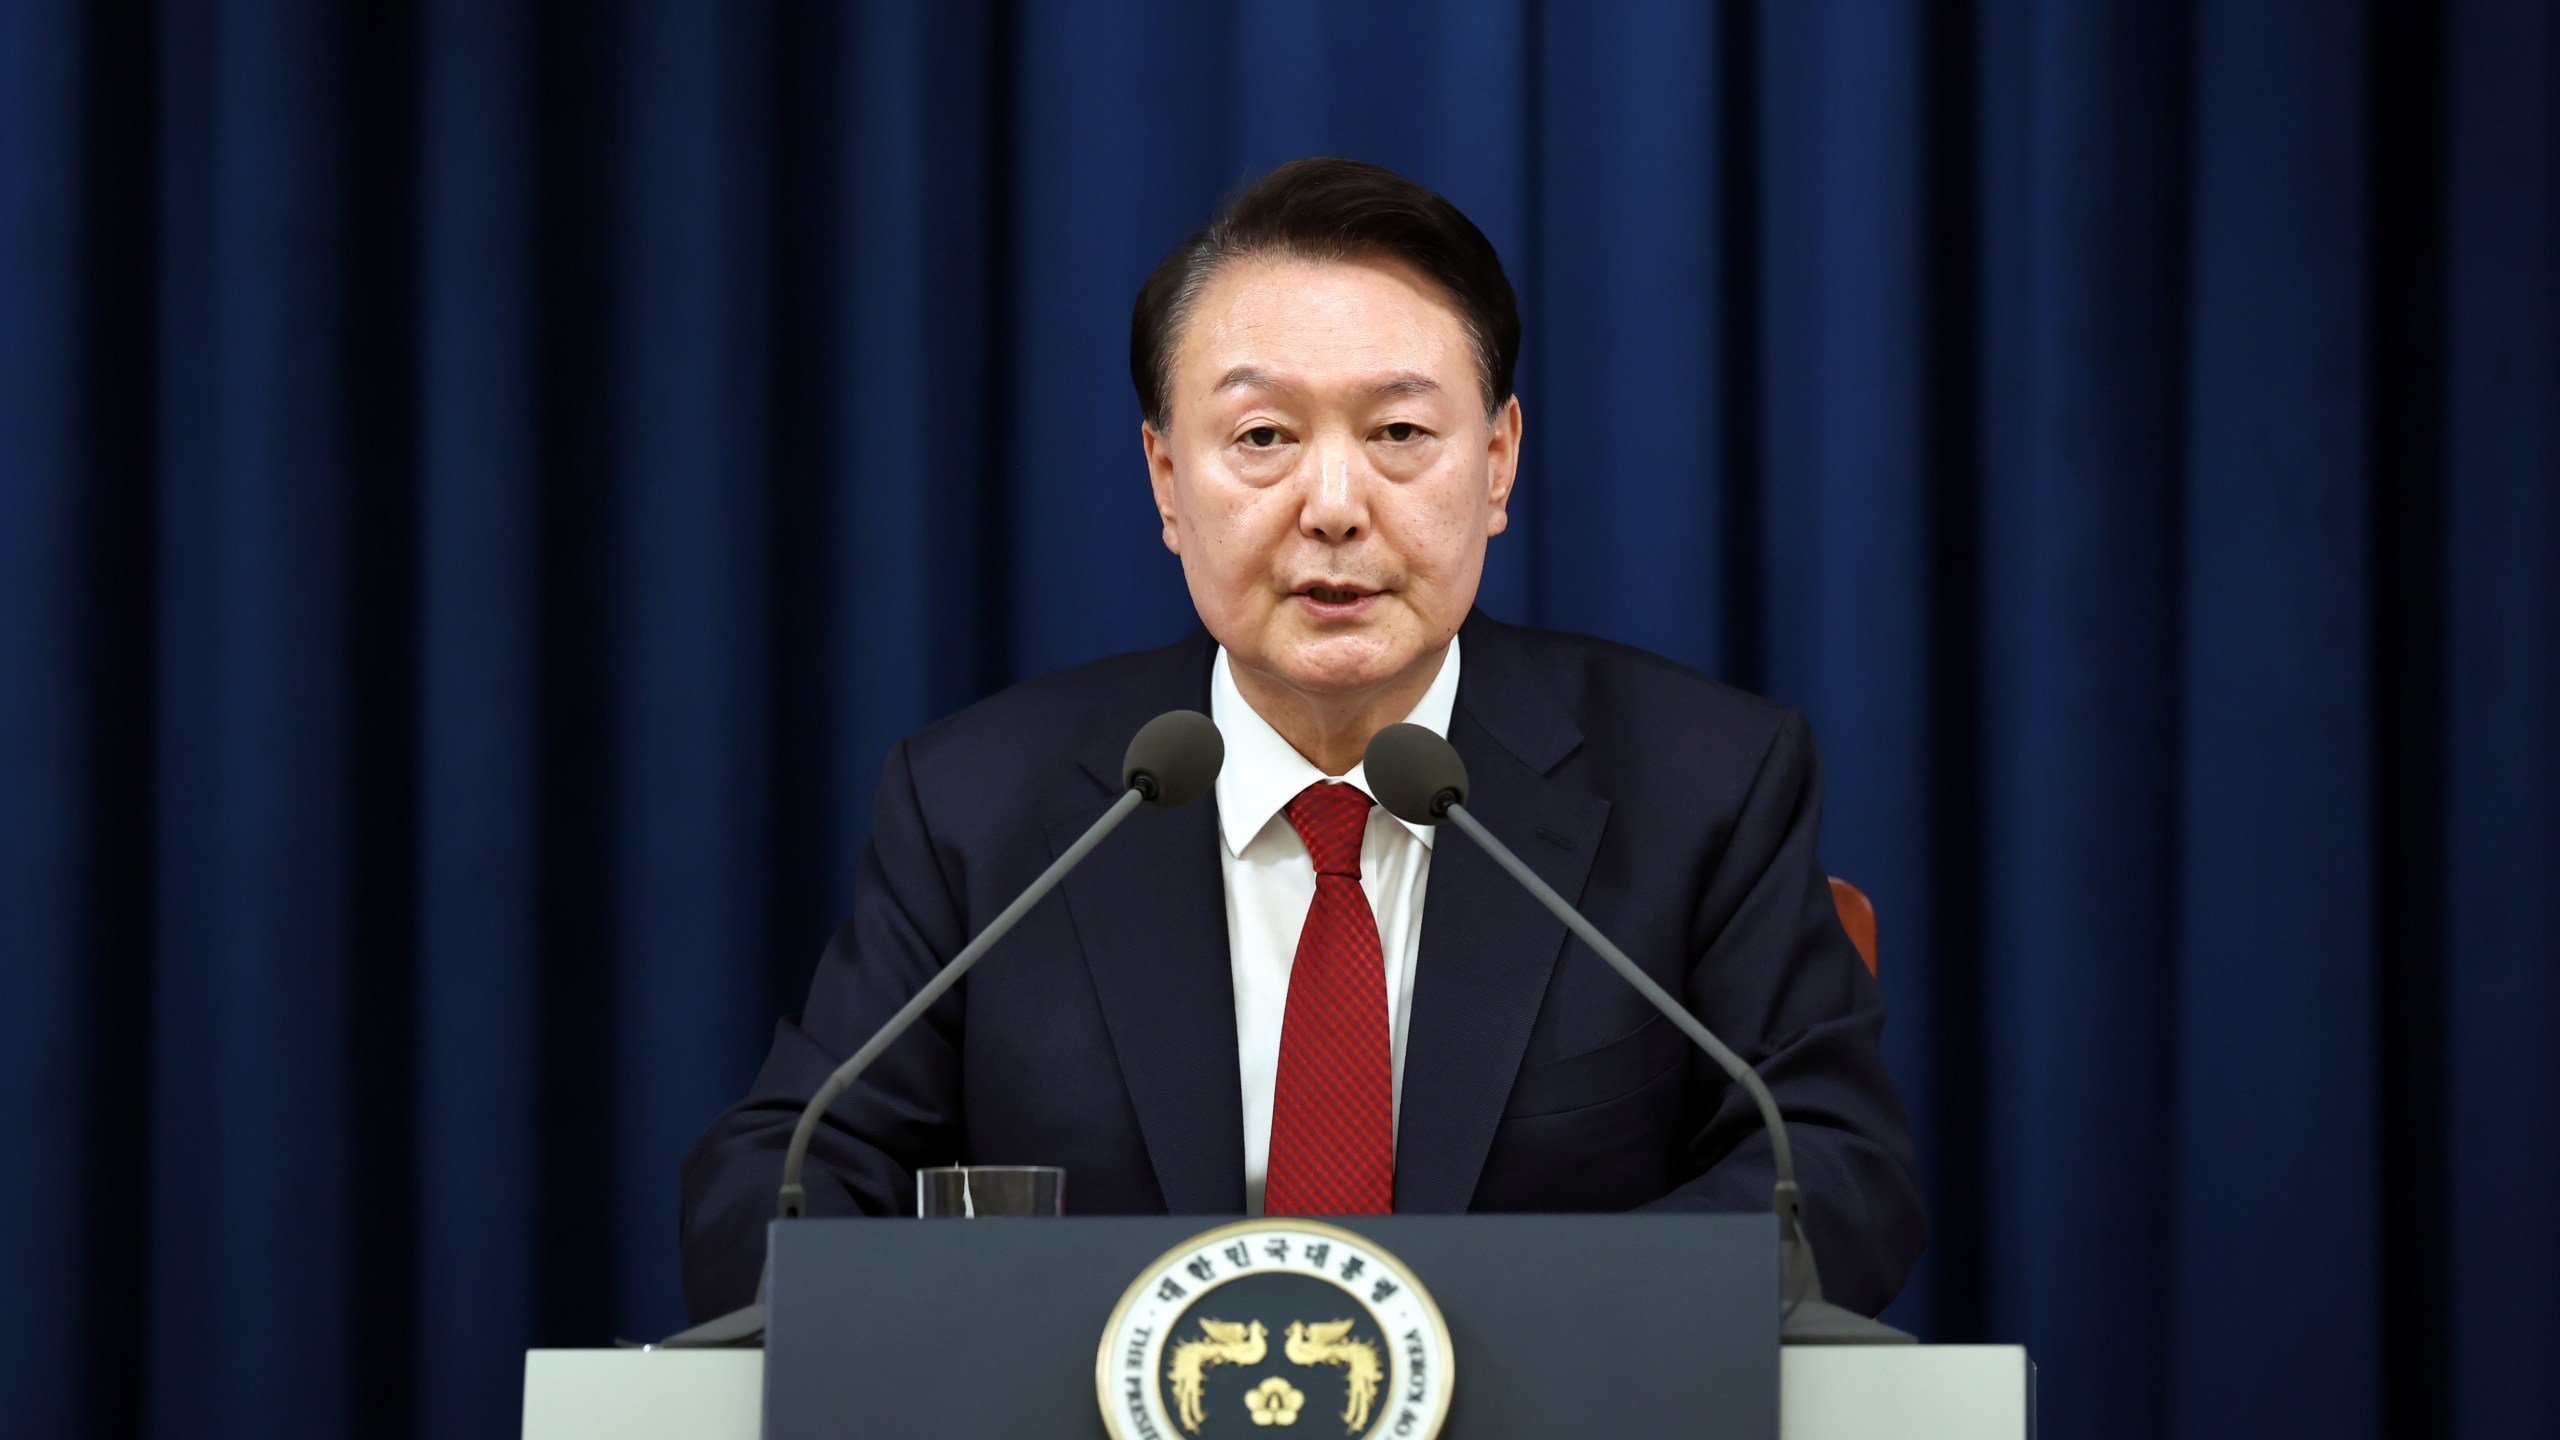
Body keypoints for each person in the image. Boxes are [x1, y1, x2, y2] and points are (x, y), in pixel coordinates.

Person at [679, 157, 1925, 1320]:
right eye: (1263, 438)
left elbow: (1831, 1176)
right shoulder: (979, 805)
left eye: (1398, 434)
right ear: (1168, 481)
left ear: (1495, 465)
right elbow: (777, 1184)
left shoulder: (1701, 781)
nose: (1333, 508)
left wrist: (1460, 1354)